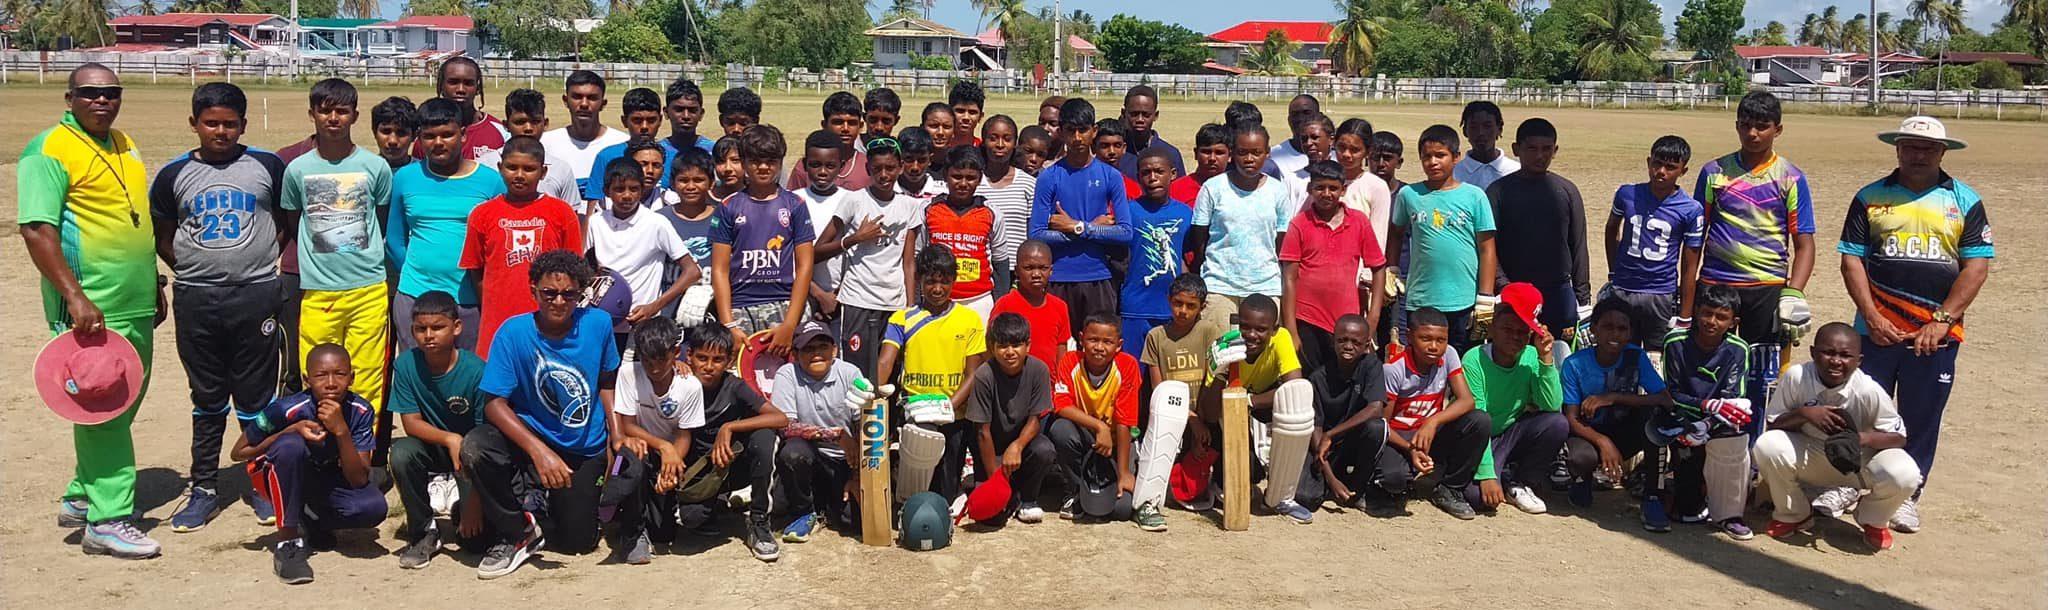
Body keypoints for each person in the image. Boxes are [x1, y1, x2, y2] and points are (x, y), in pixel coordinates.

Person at [21, 64, 166, 558]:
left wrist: (154, 282)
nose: (102, 101)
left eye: (111, 93)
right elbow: (37, 229)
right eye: (90, 93)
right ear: (70, 98)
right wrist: (76, 297)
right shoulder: (47, 150)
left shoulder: (124, 143)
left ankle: (84, 495)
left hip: (136, 300)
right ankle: (108, 519)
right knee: (104, 406)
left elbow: (132, 216)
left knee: (127, 398)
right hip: (92, 308)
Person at [1839, 115, 1991, 534]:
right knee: (1864, 411)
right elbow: (1851, 259)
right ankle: (1851, 483)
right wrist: (1871, 316)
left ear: (1943, 152)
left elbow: (1976, 267)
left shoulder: (1965, 200)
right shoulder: (1870, 196)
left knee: (1921, 418)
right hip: (1876, 331)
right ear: (1898, 149)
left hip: (1936, 336)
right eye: (1911, 146)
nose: (1918, 155)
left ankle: (1909, 495)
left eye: (1928, 148)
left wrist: (1941, 321)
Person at [149, 82, 288, 533]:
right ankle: (204, 488)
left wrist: (257, 265)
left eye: (230, 124)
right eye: (211, 123)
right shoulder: (174, 175)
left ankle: (262, 482)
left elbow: (286, 224)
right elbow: (164, 235)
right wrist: (196, 269)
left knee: (256, 397)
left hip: (255, 294)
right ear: (194, 124)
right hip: (198, 298)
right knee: (208, 398)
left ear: (243, 125)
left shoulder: (266, 166)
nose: (221, 131)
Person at [461, 250, 626, 579]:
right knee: (476, 446)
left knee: (577, 542)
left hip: (582, 444)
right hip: (530, 439)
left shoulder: (598, 324)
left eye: (570, 294)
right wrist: (539, 451)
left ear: (581, 293)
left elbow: (607, 382)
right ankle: (518, 529)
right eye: (549, 293)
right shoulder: (513, 332)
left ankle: (539, 502)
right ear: (533, 290)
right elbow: (494, 402)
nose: (560, 301)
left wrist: (615, 436)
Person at [1683, 91, 1816, 391]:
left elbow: (1804, 244)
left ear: (1778, 129)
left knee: (1762, 378)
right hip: (1717, 284)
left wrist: (1794, 293)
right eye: (1745, 125)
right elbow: (1695, 239)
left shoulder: (1791, 177)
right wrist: (1687, 297)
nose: (1752, 133)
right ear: (1736, 126)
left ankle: (1757, 434)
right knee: (1707, 370)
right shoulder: (1713, 172)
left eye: (1762, 126)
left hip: (1767, 287)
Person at [1754, 323, 1921, 551]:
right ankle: (1794, 514)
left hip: (1856, 461)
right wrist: (1804, 414)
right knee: (1767, 446)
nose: (1836, 361)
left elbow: (1898, 437)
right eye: (1828, 352)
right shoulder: (1798, 377)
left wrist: (1862, 439)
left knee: (1906, 473)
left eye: (1845, 355)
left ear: (1858, 361)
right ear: (1813, 353)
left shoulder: (1867, 390)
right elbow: (1773, 424)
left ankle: (1873, 519)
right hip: (1810, 454)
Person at [283, 78, 395, 416]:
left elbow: (381, 219)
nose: (334, 118)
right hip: (319, 291)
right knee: (317, 377)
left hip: (368, 289)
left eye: (342, 111)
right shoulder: (297, 170)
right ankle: (321, 455)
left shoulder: (375, 167)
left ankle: (360, 457)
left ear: (355, 116)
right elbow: (293, 220)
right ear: (312, 114)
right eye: (325, 110)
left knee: (367, 378)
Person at [236, 343, 382, 584]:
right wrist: (288, 431)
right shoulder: (285, 409)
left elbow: (359, 478)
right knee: (290, 446)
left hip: (323, 479)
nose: (331, 383)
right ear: (307, 379)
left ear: (352, 377)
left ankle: (313, 519)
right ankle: (288, 543)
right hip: (280, 478)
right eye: (321, 375)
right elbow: (239, 452)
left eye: (340, 374)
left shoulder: (360, 410)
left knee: (372, 507)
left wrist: (342, 431)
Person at [664, 320, 788, 561]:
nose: (709, 366)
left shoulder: (734, 386)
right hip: (695, 470)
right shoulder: (678, 382)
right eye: (702, 358)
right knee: (692, 520)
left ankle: (759, 522)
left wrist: (729, 427)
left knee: (765, 436)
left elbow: (780, 418)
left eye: (718, 360)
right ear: (689, 355)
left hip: (731, 465)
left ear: (729, 362)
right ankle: (713, 503)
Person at [389, 97, 505, 352]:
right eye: (429, 136)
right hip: (415, 296)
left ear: (463, 135)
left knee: (467, 377)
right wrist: (414, 274)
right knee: (417, 376)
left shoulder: (490, 182)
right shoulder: (405, 178)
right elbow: (395, 240)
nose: (438, 143)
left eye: (447, 135)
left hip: (468, 300)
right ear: (419, 138)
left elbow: (499, 243)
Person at [875, 246, 987, 502]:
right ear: (920, 281)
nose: (937, 289)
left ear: (953, 281)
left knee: (943, 497)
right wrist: (874, 393)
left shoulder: (969, 319)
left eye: (944, 282)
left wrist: (948, 407)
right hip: (916, 413)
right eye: (930, 282)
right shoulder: (902, 319)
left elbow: (974, 373)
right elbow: (885, 362)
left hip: (954, 415)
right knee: (914, 493)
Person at [387, 291, 490, 569]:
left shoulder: (476, 370)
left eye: (437, 327)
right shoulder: (407, 364)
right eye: (421, 329)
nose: (428, 335)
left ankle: (461, 507)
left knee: (473, 544)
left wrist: (473, 505)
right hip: (433, 447)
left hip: (471, 456)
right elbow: (410, 423)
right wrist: (449, 438)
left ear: (456, 328)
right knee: (400, 452)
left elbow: (485, 440)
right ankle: (423, 532)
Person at [462, 135, 584, 356]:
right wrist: (493, 303)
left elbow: (574, 271)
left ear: (543, 172)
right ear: (500, 167)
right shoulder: (482, 214)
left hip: (548, 325)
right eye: (512, 167)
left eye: (529, 169)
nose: (519, 175)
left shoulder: (561, 212)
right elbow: (476, 270)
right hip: (498, 324)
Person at [1368, 309, 1491, 520]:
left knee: (1479, 420)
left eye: (1441, 340)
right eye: (1425, 339)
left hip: (1429, 434)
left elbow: (1467, 400)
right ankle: (1382, 485)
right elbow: (1382, 424)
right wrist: (1410, 449)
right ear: (1410, 336)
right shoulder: (1394, 369)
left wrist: (1433, 421)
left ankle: (1449, 488)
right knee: (1395, 480)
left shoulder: (1449, 354)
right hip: (1399, 438)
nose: (1434, 347)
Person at [1559, 299, 1672, 527]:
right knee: (1581, 457)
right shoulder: (1575, 364)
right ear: (1593, 329)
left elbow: (1664, 398)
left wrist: (1612, 397)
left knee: (1655, 419)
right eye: (1607, 327)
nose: (1615, 334)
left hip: (1624, 429)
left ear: (1630, 332)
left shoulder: (1635, 356)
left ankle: (1652, 495)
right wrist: (1603, 442)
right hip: (1588, 434)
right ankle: (1582, 479)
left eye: (1622, 329)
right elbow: (1570, 417)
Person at [1385, 125, 1497, 352]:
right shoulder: (1409, 195)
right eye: (1427, 156)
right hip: (1421, 299)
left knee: (1463, 360)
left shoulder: (1475, 196)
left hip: (1464, 300)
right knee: (1422, 360)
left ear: (1455, 157)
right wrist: (1393, 268)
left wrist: (1485, 296)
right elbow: (1395, 234)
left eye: (1440, 155)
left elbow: (1487, 249)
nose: (1433, 162)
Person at [1030, 98, 1136, 334]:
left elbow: (1126, 233)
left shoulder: (1110, 176)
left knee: (1098, 351)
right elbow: (1037, 234)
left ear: (1094, 131)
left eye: (1083, 130)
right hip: (1058, 279)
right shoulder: (1049, 176)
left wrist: (1077, 227)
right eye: (1070, 131)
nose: (1077, 138)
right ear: (1061, 132)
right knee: (1062, 351)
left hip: (1099, 278)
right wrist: (1091, 230)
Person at [1658, 284, 1753, 539]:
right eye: (1707, 313)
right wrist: (1702, 409)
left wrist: (1709, 422)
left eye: (1721, 317)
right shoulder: (1675, 341)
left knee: (1736, 436)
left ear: (1734, 322)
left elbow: (1733, 398)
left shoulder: (1739, 349)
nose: (1712, 322)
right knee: (1688, 510)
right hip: (1684, 419)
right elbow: (1672, 393)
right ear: (1697, 311)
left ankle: (1730, 515)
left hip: (1717, 420)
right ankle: (1683, 494)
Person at [1461, 283, 1566, 515]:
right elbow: (1478, 418)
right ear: (1492, 328)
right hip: (1477, 437)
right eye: (1508, 329)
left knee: (1557, 423)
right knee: (1478, 498)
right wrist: (1487, 474)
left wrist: (1546, 359)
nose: (1515, 337)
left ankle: (1520, 482)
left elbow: (1552, 405)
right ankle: (1497, 474)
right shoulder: (1473, 360)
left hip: (1508, 435)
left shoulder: (1530, 356)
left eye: (1522, 332)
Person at [815, 139, 918, 374]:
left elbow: (908, 262)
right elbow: (816, 251)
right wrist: (856, 238)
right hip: (857, 301)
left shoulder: (909, 206)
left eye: (890, 168)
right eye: (877, 169)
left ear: (900, 167)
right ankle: (855, 414)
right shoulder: (854, 200)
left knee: (890, 374)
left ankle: (887, 413)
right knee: (856, 373)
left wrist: (911, 307)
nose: (883, 175)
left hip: (895, 304)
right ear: (868, 169)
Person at [711, 124, 815, 355]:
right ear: (745, 163)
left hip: (785, 304)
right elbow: (719, 269)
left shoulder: (794, 205)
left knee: (784, 379)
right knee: (742, 379)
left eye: (771, 161)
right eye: (756, 161)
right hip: (740, 308)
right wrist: (729, 324)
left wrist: (790, 324)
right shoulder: (728, 207)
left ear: (780, 162)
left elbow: (805, 266)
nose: (764, 167)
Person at [605, 316, 702, 563]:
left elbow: (684, 433)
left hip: (669, 455)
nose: (655, 368)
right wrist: (663, 445)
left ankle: (654, 517)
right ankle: (632, 534)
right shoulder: (629, 373)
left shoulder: (690, 386)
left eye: (662, 360)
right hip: (641, 446)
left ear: (675, 353)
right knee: (633, 458)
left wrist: (671, 465)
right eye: (648, 361)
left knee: (663, 533)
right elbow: (628, 425)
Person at [1487, 118, 1590, 341]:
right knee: (1515, 351)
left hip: (1558, 292)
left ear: (1555, 151)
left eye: (1546, 149)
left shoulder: (1567, 190)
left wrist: (1583, 298)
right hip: (1515, 290)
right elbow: (1488, 245)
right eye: (1532, 148)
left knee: (1556, 352)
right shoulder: (1498, 192)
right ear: (1517, 149)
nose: (1540, 155)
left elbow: (1578, 245)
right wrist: (1503, 285)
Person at [1279, 160, 1386, 376]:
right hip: (1307, 319)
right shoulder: (1299, 224)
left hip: (1347, 322)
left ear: (1343, 189)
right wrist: (1291, 330)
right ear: (1310, 189)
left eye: (1333, 188)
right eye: (1319, 187)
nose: (1326, 193)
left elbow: (1378, 268)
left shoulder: (1358, 222)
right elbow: (1289, 278)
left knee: (1344, 380)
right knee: (1310, 381)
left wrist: (1373, 318)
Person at [770, 321, 869, 541]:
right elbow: (785, 426)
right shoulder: (787, 374)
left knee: (854, 522)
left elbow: (865, 427)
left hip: (846, 460)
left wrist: (857, 476)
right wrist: (835, 435)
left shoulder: (850, 373)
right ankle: (805, 511)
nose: (816, 354)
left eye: (822, 347)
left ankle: (826, 506)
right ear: (795, 354)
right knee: (793, 454)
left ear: (834, 350)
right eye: (808, 349)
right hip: (810, 457)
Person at [1605, 135, 1705, 350]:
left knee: (1657, 357)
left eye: (1670, 167)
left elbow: (1690, 265)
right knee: (1620, 354)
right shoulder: (1627, 194)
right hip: (1624, 289)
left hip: (1660, 293)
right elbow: (1612, 229)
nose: (1661, 171)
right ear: (1648, 162)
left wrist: (1685, 316)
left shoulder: (1691, 209)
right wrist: (1613, 273)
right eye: (1657, 164)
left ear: (1683, 171)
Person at [1188, 121, 1290, 331]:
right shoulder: (1213, 188)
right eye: (1243, 152)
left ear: (1267, 153)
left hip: (1265, 287)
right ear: (1233, 153)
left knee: (1259, 358)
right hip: (1219, 286)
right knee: (1222, 357)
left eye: (1256, 152)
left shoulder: (1278, 191)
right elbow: (1200, 237)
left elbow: (1281, 241)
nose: (1250, 159)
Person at [589, 156, 702, 338]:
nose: (627, 195)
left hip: (642, 325)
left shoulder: (656, 223)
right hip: (602, 324)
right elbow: (585, 268)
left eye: (634, 189)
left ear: (642, 191)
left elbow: (692, 271)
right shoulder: (596, 222)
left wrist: (654, 306)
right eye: (619, 189)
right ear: (606, 191)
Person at [964, 313, 1059, 524]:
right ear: (992, 347)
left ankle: (1028, 499)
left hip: (1022, 447)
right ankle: (998, 488)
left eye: (1016, 345)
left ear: (1028, 345)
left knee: (1044, 449)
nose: (1009, 352)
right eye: (1002, 346)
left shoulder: (1038, 370)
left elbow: (1035, 419)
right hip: (990, 449)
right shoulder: (984, 375)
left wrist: (1017, 445)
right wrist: (995, 484)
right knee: (992, 517)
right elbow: (982, 432)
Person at [1230, 294, 1317, 524]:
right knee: (1250, 471)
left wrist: (1251, 401)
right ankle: (1236, 480)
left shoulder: (1281, 338)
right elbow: (1211, 409)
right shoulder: (1229, 341)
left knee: (1298, 397)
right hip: (1229, 413)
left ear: (1274, 329)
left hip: (1259, 402)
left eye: (1260, 329)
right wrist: (1219, 368)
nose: (1251, 335)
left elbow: (1293, 386)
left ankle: (1280, 496)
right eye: (1245, 327)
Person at [1047, 313, 1141, 522]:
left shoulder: (1127, 366)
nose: (1099, 347)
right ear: (1081, 339)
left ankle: (1115, 475)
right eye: (1093, 340)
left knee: (1121, 510)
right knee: (1060, 429)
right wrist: (1100, 427)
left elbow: (1125, 420)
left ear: (1119, 345)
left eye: (1107, 342)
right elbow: (1061, 405)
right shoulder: (1070, 361)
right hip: (1085, 440)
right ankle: (1076, 490)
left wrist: (1124, 472)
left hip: (1116, 445)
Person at [1303, 315, 1389, 512]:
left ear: (1367, 344)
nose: (1348, 346)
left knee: (1377, 428)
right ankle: (1334, 479)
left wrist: (1331, 434)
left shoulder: (1371, 365)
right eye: (1342, 340)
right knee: (1306, 498)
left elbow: (1376, 408)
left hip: (1350, 440)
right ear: (1333, 341)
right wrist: (1330, 478)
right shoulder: (1318, 378)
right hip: (1324, 450)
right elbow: (1315, 428)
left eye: (1356, 342)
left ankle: (1357, 489)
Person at [1119, 149, 1194, 358]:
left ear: (1173, 174)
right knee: (1135, 369)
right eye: (1146, 172)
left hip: (1173, 308)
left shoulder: (1185, 213)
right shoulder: (1128, 211)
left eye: (1159, 172)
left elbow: (1186, 256)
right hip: (1136, 306)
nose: (1152, 178)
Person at [1141, 274, 1225, 459]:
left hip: (1205, 415)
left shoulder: (1209, 331)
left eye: (1191, 306)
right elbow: (1159, 389)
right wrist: (1191, 420)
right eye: (1178, 303)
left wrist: (1199, 421)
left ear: (1201, 307)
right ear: (1169, 301)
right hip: (1170, 416)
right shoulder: (1156, 336)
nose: (1183, 311)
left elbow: (1215, 379)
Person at [924, 146, 1005, 318]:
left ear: (980, 178)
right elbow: (918, 255)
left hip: (979, 301)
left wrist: (1000, 302)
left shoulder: (991, 212)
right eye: (956, 177)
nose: (963, 184)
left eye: (970, 178)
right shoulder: (928, 209)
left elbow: (1000, 262)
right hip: (937, 301)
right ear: (946, 175)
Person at [791, 130, 854, 321]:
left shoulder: (852, 200)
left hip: (844, 296)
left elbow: (857, 255)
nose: (823, 172)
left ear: (841, 166)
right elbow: (787, 257)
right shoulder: (793, 200)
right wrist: (818, 294)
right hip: (802, 295)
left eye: (830, 165)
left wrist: (837, 295)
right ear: (804, 165)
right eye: (815, 165)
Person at [541, 71, 630, 205]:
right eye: (577, 97)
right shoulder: (545, 143)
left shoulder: (622, 144)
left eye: (592, 98)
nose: (584, 104)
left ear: (603, 103)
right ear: (565, 101)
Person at [656, 149, 722, 324]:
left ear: (711, 183)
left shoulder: (724, 218)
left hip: (712, 313)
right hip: (668, 314)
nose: (690, 186)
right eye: (683, 180)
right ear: (672, 183)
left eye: (699, 180)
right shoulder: (659, 219)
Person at [579, 87, 669, 205]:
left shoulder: (669, 156)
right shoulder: (607, 157)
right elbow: (594, 205)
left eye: (651, 120)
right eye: (637, 120)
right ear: (624, 121)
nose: (644, 127)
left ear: (660, 120)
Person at [991, 241, 1073, 370]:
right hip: (1012, 382)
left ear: (1051, 271)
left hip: (1047, 385)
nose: (1036, 274)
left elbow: (1061, 350)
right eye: (1029, 268)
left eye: (1043, 268)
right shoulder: (1004, 304)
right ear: (1017, 270)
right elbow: (992, 344)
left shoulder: (1060, 306)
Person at [495, 88, 584, 205]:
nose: (528, 128)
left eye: (535, 121)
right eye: (520, 122)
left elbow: (571, 217)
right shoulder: (486, 164)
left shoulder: (561, 169)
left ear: (545, 124)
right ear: (506, 125)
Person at [979, 115, 1036, 296]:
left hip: (1015, 271)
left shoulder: (1028, 184)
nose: (1000, 144)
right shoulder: (973, 181)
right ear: (983, 141)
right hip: (981, 269)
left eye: (1007, 139)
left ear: (1015, 143)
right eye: (993, 138)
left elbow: (1031, 232)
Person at [415, 56, 508, 160]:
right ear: (441, 85)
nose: (461, 89)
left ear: (478, 88)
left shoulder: (499, 132)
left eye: (468, 83)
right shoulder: (427, 133)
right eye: (453, 82)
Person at [786, 92, 870, 191]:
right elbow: (792, 202)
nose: (845, 128)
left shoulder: (868, 165)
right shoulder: (806, 167)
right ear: (824, 125)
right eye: (838, 122)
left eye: (852, 123)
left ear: (860, 126)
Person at [1333, 118, 1392, 242]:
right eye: (1341, 147)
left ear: (1368, 152)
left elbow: (1377, 237)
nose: (1346, 154)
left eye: (1355, 150)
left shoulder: (1376, 187)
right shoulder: (1323, 181)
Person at [1116, 85, 1184, 178]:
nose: (1140, 119)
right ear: (1124, 113)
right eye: (1134, 114)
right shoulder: (1114, 152)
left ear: (1155, 115)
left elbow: (1179, 188)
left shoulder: (1170, 153)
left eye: (1146, 115)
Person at [1278, 112, 1336, 217]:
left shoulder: (1340, 175)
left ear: (1331, 139)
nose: (1308, 143)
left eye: (1315, 137)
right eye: (1304, 139)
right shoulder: (1291, 179)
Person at [1454, 100, 1519, 189]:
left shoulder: (1515, 170)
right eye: (1474, 127)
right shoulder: (1454, 174)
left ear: (1499, 129)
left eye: (1487, 126)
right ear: (1465, 131)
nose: (1481, 132)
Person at [1261, 94, 1327, 179]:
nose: (1300, 118)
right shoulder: (1274, 157)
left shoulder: (1338, 156)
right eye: (1295, 114)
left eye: (1307, 113)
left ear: (1320, 116)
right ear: (1289, 120)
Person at [1169, 123, 1232, 206]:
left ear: (1230, 156)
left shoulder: (1239, 189)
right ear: (1195, 153)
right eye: (1206, 152)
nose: (1212, 158)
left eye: (1219, 153)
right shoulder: (1176, 189)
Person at [1091, 119, 1142, 198]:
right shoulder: (1083, 182)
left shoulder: (1134, 189)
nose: (1112, 151)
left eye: (1117, 145)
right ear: (1093, 148)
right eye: (1105, 146)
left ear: (1124, 148)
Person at [894, 127, 947, 199]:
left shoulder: (944, 192)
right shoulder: (887, 192)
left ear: (930, 159)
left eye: (922, 160)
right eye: (909, 159)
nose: (915, 167)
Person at [370, 96, 420, 169]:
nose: (392, 141)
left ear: (414, 136)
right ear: (374, 132)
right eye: (386, 131)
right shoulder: (363, 172)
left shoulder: (424, 173)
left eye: (401, 133)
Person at [858, 87, 902, 153]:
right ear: (864, 117)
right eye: (873, 120)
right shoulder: (853, 147)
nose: (879, 127)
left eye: (886, 121)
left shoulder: (899, 151)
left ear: (896, 121)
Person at [948, 81, 985, 148]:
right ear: (948, 113)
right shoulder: (938, 150)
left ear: (980, 116)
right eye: (960, 111)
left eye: (972, 112)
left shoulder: (984, 151)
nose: (966, 117)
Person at [1036, 95, 1066, 163]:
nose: (1045, 128)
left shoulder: (1073, 162)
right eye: (1041, 123)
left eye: (1053, 124)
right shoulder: (1028, 160)